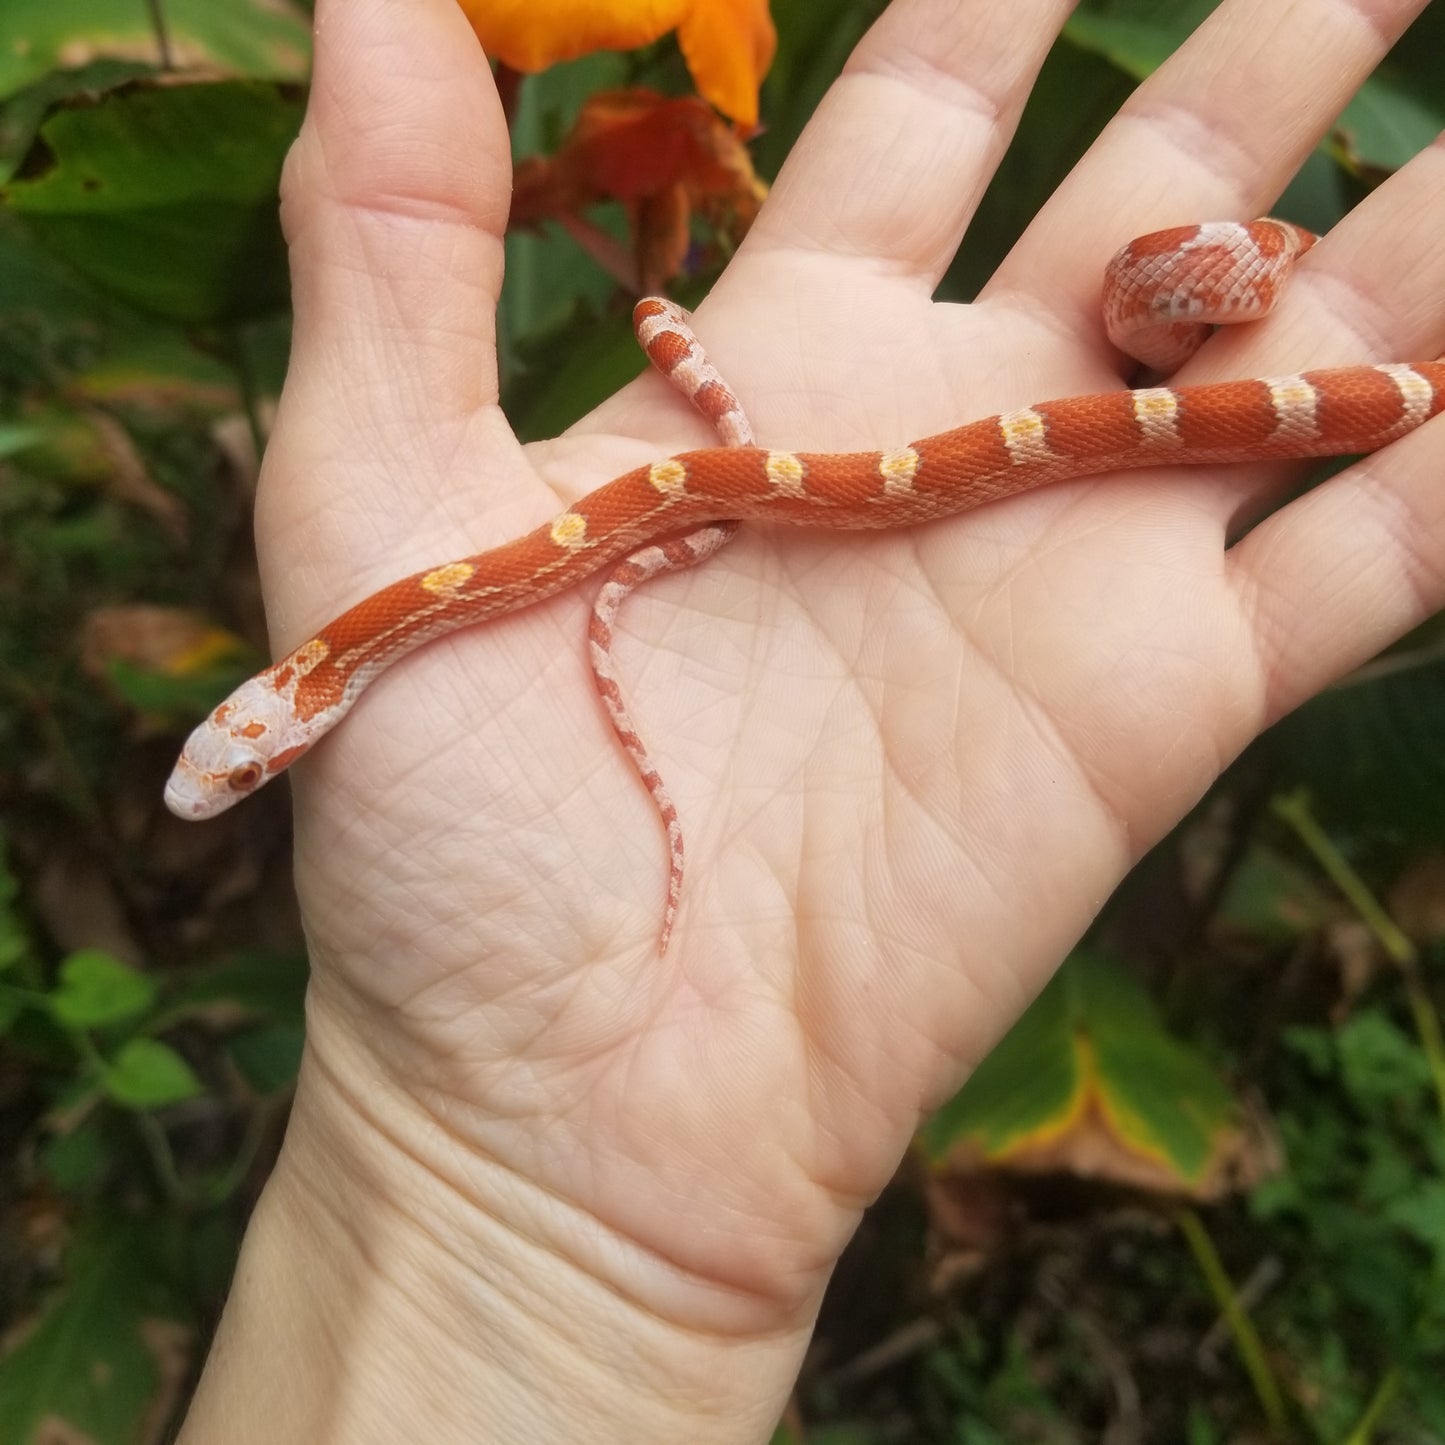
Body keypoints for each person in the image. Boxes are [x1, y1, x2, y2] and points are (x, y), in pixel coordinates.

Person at [176, 0, 1445, 1437]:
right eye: (233, 777)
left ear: (281, 709)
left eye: (229, 767)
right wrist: (500, 1195)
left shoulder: (390, 631)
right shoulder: (372, 646)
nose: (230, 778)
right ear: (288, 715)